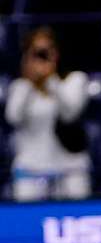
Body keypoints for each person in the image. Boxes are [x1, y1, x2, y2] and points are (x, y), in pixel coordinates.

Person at [4, 26, 90, 201]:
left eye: (47, 51)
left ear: (57, 52)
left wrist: (51, 79)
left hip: (70, 167)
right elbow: (13, 117)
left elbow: (70, 114)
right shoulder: (21, 87)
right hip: (30, 168)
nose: (42, 58)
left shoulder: (74, 80)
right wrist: (30, 81)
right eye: (36, 53)